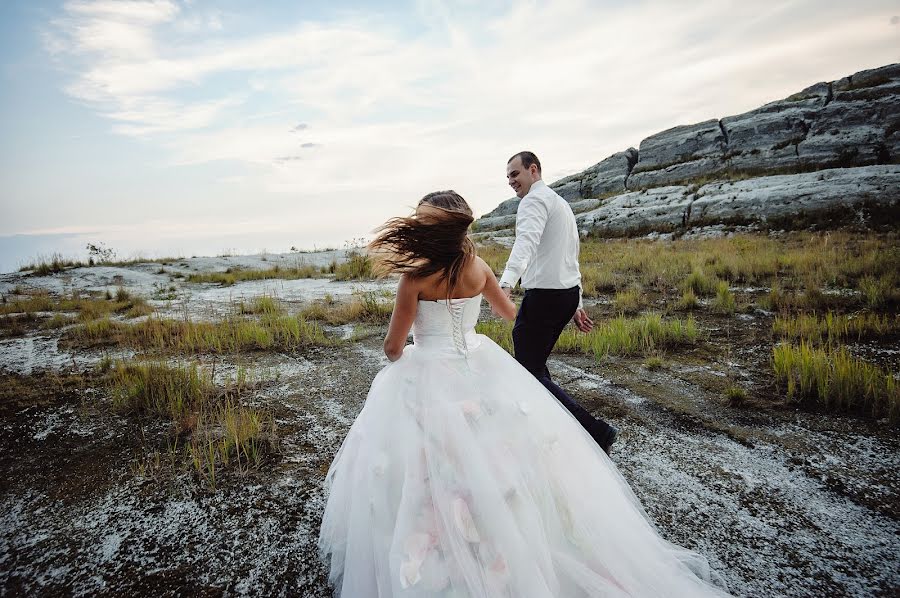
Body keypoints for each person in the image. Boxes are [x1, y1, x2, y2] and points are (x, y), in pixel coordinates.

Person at [318, 190, 730, 597]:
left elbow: (392, 348)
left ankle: (445, 542)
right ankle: (498, 530)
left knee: (429, 459)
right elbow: (510, 312)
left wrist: (410, 349)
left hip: (428, 368)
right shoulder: (478, 268)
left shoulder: (415, 278)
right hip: (479, 361)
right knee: (496, 451)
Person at [500, 151, 619, 454]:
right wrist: (576, 303)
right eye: (508, 176)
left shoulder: (534, 201)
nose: (511, 181)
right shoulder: (561, 204)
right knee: (534, 363)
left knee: (527, 368)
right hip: (564, 295)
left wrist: (505, 283)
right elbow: (571, 257)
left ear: (533, 170)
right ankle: (547, 422)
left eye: (515, 173)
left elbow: (525, 242)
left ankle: (595, 431)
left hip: (545, 296)